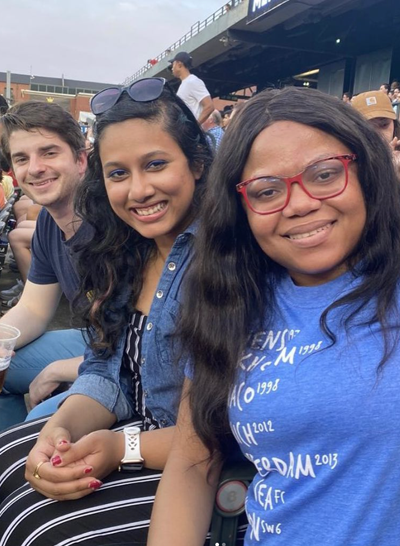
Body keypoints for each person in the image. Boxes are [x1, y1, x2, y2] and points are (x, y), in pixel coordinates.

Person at [148, 87, 400, 546]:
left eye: (325, 175)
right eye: (267, 190)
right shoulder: (228, 303)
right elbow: (189, 465)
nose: (300, 203)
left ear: (367, 173)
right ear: (241, 208)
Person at [0, 78, 213, 545]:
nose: (138, 190)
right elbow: (107, 367)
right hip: (142, 428)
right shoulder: (126, 249)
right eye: (118, 174)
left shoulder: (221, 259)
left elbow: (213, 432)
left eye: (155, 165)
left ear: (197, 163)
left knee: (38, 528)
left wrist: (122, 446)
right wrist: (58, 433)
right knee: (12, 464)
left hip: (202, 462)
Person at [0, 102, 90, 428]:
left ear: (81, 159)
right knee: (1, 365)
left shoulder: (115, 219)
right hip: (96, 340)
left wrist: (59, 370)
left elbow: (144, 346)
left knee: (42, 424)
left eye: (49, 153)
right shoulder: (50, 225)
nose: (35, 168)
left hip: (132, 358)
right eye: (22, 159)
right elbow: (35, 311)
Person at [169, 51, 214, 124]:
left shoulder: (192, 81)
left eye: (173, 64)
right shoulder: (186, 83)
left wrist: (195, 127)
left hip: (191, 134)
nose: (172, 68)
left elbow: (209, 106)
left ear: (179, 65)